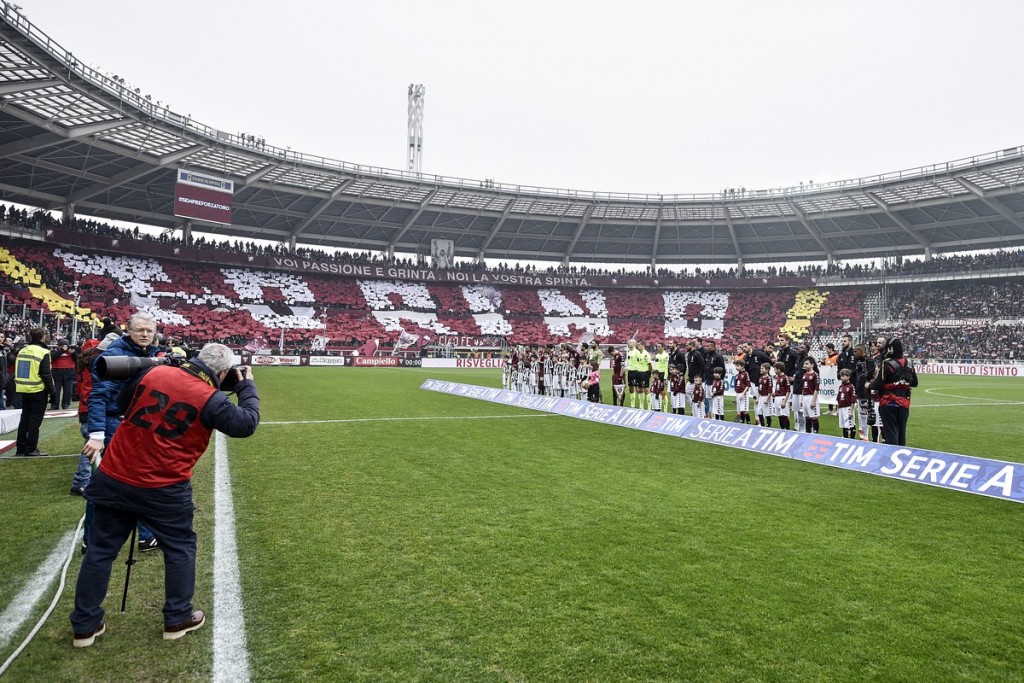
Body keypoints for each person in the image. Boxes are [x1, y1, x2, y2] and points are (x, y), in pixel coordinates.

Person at [70, 343, 259, 647]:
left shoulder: (155, 373)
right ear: (223, 372)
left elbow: (121, 402)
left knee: (100, 550)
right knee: (180, 548)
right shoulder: (210, 398)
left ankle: (84, 626)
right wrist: (247, 387)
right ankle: (177, 617)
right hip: (163, 485)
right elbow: (246, 424)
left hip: (116, 474)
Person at [83, 313, 162, 552]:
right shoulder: (114, 355)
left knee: (143, 479)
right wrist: (97, 434)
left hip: (138, 425)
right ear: (129, 331)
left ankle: (146, 535)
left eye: (149, 330)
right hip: (115, 424)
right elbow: (98, 396)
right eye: (140, 330)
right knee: (107, 484)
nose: (145, 334)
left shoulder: (150, 353)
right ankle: (92, 537)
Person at [14, 327, 56, 457]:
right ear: (43, 337)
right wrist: (52, 391)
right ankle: (31, 448)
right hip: (37, 389)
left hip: (23, 388)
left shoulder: (23, 350)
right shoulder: (43, 352)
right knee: (35, 420)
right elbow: (46, 374)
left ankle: (21, 447)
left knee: (25, 419)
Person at [870, 337, 919, 446]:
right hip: (904, 403)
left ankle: (892, 455)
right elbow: (915, 383)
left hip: (888, 403)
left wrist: (869, 384)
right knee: (901, 435)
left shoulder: (887, 364)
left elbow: (877, 385)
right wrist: (902, 383)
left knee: (891, 434)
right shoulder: (909, 363)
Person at [50, 338, 78, 410]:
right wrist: (61, 351)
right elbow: (52, 357)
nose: (65, 347)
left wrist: (73, 352)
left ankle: (66, 404)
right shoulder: (54, 351)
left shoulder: (71, 351)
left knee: (68, 391)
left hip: (69, 372)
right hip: (57, 372)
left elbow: (77, 359)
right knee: (56, 391)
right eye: (62, 346)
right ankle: (54, 405)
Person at [801, 358, 820, 433]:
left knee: (814, 417)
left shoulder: (815, 375)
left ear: (812, 365)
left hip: (811, 397)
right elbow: (803, 388)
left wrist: (813, 401)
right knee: (807, 417)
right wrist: (802, 399)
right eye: (804, 364)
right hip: (805, 397)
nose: (805, 365)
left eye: (807, 364)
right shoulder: (804, 375)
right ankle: (808, 433)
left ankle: (815, 433)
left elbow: (816, 389)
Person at [836, 368, 857, 439]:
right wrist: (837, 409)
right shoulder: (840, 387)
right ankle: (845, 438)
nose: (841, 377)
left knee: (850, 424)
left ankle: (852, 439)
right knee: (844, 425)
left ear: (848, 376)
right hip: (841, 408)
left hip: (848, 407)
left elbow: (853, 400)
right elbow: (838, 399)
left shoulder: (851, 387)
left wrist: (851, 410)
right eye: (841, 376)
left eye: (843, 376)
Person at [772, 361, 792, 430]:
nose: (774, 370)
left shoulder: (785, 378)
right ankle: (782, 429)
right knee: (779, 415)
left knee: (784, 415)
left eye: (775, 369)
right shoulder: (777, 378)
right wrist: (774, 393)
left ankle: (787, 430)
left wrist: (785, 401)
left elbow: (788, 390)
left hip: (782, 397)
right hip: (777, 398)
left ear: (779, 369)